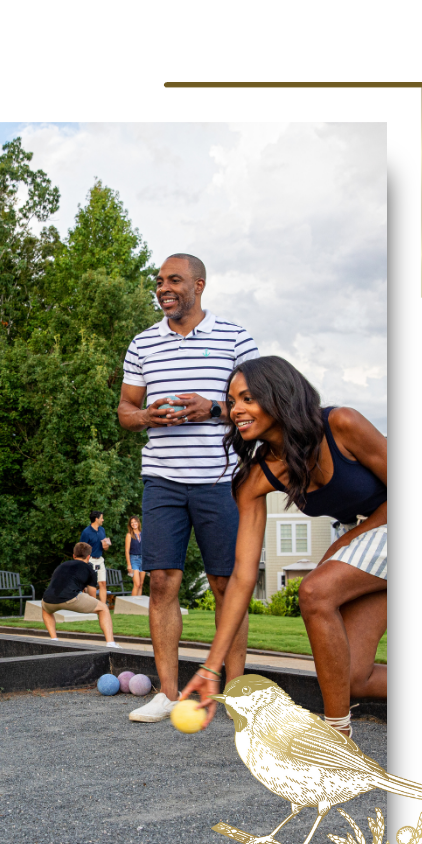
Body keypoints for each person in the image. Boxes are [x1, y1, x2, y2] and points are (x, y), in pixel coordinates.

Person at [180, 356, 387, 737]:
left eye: (246, 398)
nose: (235, 409)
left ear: (278, 395)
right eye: (232, 400)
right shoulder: (255, 479)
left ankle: (336, 737)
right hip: (378, 548)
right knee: (353, 676)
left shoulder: (341, 424)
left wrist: (345, 540)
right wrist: (211, 667)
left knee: (315, 590)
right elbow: (243, 578)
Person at [118, 253, 259, 723]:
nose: (163, 288)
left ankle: (236, 698)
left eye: (174, 280)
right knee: (162, 582)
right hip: (162, 480)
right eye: (159, 281)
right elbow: (125, 411)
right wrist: (146, 416)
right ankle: (168, 693)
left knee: (226, 585)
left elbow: (261, 405)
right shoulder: (142, 344)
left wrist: (214, 410)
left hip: (222, 481)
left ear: (199, 285)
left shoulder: (235, 337)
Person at [41, 543, 121, 648]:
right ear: (88, 557)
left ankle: (54, 639)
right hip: (71, 598)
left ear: (74, 556)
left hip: (48, 599)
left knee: (45, 610)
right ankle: (111, 643)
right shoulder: (89, 569)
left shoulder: (62, 565)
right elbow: (92, 596)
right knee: (103, 608)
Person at [79, 511, 111, 604]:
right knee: (91, 585)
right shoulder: (86, 532)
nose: (103, 520)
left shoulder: (102, 530)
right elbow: (82, 548)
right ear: (96, 519)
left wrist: (106, 546)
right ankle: (91, 606)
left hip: (100, 560)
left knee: (103, 583)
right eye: (102, 518)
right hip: (90, 560)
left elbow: (105, 546)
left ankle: (103, 607)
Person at [124, 515, 145, 596]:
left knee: (141, 584)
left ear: (138, 523)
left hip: (143, 559)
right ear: (130, 524)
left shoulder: (143, 534)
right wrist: (129, 564)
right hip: (134, 559)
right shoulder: (129, 535)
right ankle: (132, 606)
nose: (133, 524)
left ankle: (139, 605)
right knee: (137, 584)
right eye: (132, 522)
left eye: (135, 522)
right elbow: (127, 550)